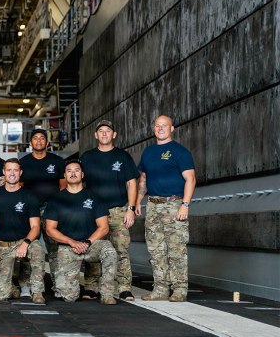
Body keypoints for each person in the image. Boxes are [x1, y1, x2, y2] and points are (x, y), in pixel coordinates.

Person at [136, 115, 196, 302]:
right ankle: (160, 288)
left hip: (174, 204)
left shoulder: (180, 152)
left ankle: (179, 289)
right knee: (156, 250)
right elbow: (143, 180)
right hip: (153, 205)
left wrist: (185, 205)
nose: (160, 128)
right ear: (154, 129)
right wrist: (138, 201)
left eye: (164, 125)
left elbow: (190, 179)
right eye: (157, 126)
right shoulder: (148, 152)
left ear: (172, 128)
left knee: (176, 249)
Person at [80, 120, 139, 301]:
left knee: (120, 249)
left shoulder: (123, 156)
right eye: (101, 131)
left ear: (114, 135)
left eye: (108, 131)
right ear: (96, 135)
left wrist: (131, 209)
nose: (104, 134)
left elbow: (132, 183)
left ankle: (123, 287)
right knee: (94, 249)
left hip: (118, 210)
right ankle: (91, 286)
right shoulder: (87, 157)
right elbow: (79, 184)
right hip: (93, 213)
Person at [45, 160, 117, 305]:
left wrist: (87, 242)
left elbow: (104, 227)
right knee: (69, 297)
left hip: (91, 245)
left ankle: (107, 293)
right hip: (68, 247)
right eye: (69, 171)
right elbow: (50, 229)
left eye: (76, 170)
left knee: (109, 250)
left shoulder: (94, 197)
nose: (73, 173)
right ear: (64, 175)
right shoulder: (56, 200)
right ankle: (64, 285)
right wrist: (71, 242)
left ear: (82, 174)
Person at [0, 159, 46, 303]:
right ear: (3, 173)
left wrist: (25, 243)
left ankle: (37, 291)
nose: (12, 173)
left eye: (15, 170)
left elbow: (36, 227)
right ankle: (12, 287)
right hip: (1, 244)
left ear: (20, 173)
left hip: (22, 241)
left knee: (37, 249)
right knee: (2, 294)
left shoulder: (29, 196)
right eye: (9, 170)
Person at [19, 128, 65, 293]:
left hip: (51, 210)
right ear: (31, 143)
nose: (39, 141)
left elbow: (63, 187)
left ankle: (58, 285)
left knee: (54, 249)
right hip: (30, 211)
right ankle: (26, 284)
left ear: (47, 142)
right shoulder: (23, 163)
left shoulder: (57, 161)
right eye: (35, 138)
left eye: (42, 138)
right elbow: (20, 188)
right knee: (28, 245)